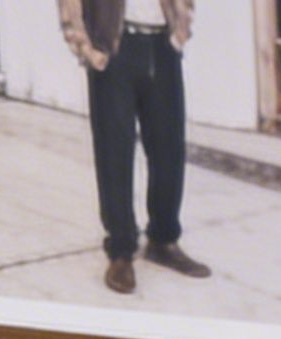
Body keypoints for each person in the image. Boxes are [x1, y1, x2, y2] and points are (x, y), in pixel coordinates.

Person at [58, 0, 212, 299]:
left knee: (169, 147)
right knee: (114, 150)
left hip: (162, 45)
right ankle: (120, 251)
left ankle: (164, 240)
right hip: (115, 47)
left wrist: (180, 32)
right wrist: (86, 47)